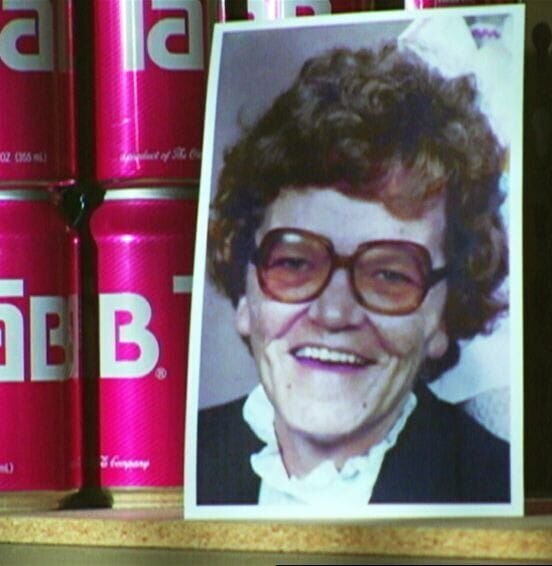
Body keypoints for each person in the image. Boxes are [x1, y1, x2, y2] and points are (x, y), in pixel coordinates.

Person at [197, 40, 510, 505]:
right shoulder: (187, 465)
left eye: (389, 276)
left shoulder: (492, 486)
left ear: (444, 317)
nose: (334, 313)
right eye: (295, 263)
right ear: (245, 296)